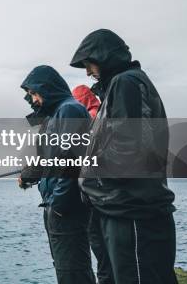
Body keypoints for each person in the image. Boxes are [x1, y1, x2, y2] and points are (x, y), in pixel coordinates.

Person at [70, 29, 177, 284]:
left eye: (89, 63)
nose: (87, 72)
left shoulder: (127, 82)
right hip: (123, 210)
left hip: (133, 214)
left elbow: (127, 152)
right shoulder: (121, 86)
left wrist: (88, 177)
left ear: (103, 56)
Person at [18, 65, 95, 284]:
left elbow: (71, 161)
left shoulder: (69, 110)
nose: (33, 99)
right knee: (65, 268)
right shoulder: (55, 115)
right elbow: (50, 159)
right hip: (55, 205)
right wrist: (28, 176)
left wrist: (60, 204)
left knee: (73, 271)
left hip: (65, 208)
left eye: (34, 93)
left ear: (47, 88)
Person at [72, 84, 114, 284]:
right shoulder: (102, 112)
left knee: (103, 256)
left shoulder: (90, 118)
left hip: (96, 197)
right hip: (104, 195)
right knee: (108, 256)